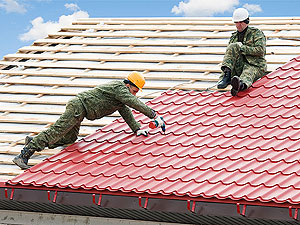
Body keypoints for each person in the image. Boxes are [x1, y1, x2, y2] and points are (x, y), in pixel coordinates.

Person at [13, 71, 165, 169]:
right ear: (128, 85)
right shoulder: (120, 88)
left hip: (82, 110)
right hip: (79, 107)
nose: (135, 95)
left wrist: (137, 129)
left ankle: (33, 140)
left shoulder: (121, 96)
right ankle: (23, 156)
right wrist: (154, 115)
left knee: (70, 138)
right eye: (134, 91)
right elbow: (134, 103)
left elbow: (125, 110)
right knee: (56, 131)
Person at [217, 8, 267, 96]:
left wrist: (242, 48)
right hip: (240, 65)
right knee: (233, 46)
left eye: (241, 22)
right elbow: (229, 56)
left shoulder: (256, 33)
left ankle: (240, 85)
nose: (238, 25)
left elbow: (260, 51)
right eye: (236, 22)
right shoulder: (234, 37)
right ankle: (227, 75)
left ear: (246, 21)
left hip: (255, 65)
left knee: (248, 72)